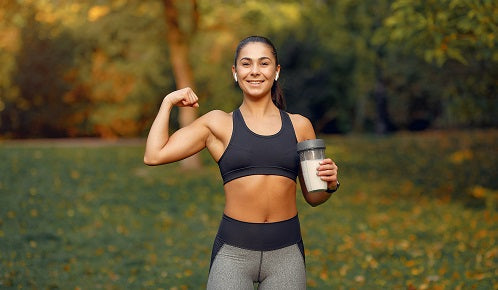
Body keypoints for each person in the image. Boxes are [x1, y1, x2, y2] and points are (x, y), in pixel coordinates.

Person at [144, 35, 339, 289]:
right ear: (235, 72)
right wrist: (168, 102)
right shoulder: (218, 124)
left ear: (276, 71)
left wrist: (330, 184)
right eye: (246, 64)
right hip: (233, 255)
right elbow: (154, 154)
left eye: (264, 63)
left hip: (287, 255)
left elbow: (314, 198)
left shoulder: (300, 126)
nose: (255, 71)